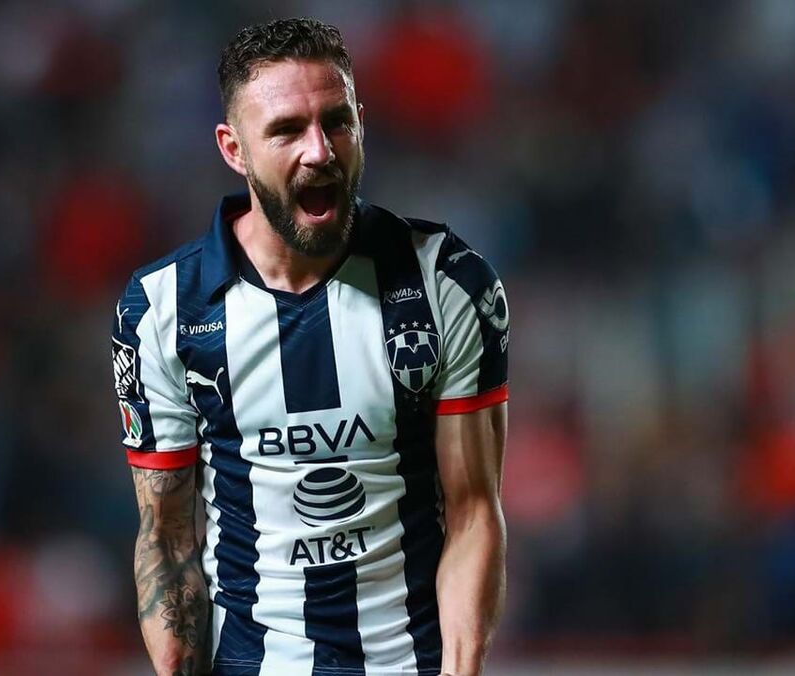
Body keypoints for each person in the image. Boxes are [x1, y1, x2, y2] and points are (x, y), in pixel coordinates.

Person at [111, 17, 509, 676]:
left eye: (337, 121)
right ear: (234, 148)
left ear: (362, 123)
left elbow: (472, 510)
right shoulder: (163, 311)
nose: (320, 151)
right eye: (288, 130)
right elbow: (168, 536)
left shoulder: (447, 284)